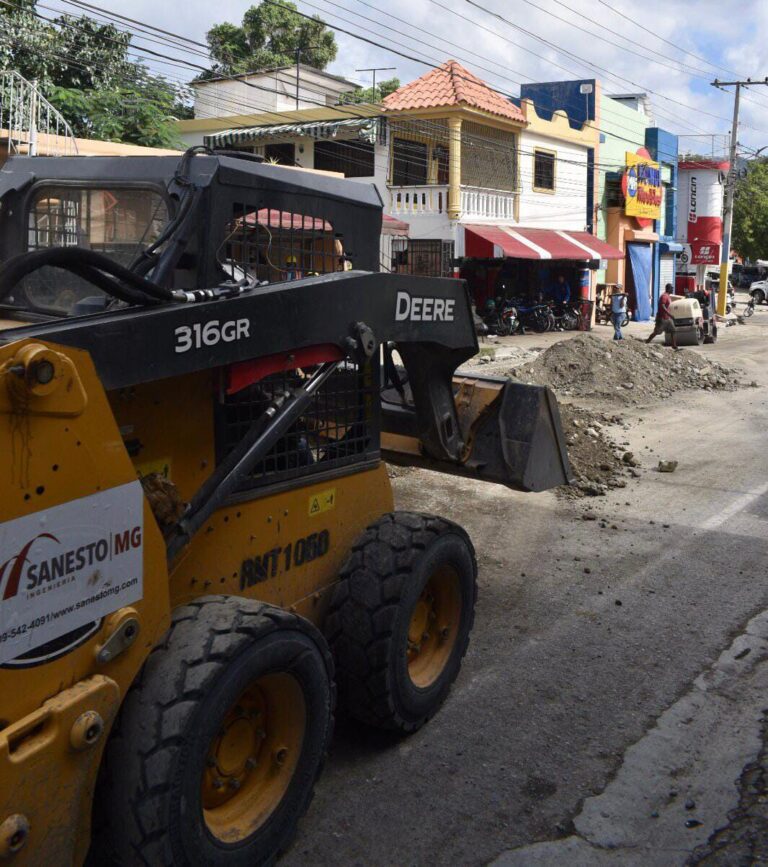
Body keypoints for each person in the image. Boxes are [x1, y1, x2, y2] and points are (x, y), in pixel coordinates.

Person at [646, 283, 679, 350]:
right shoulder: (664, 296)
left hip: (667, 318)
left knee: (673, 330)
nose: (673, 289)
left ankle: (674, 345)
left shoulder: (668, 296)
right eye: (672, 288)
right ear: (668, 288)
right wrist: (670, 315)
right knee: (657, 332)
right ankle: (647, 341)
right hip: (662, 318)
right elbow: (662, 306)